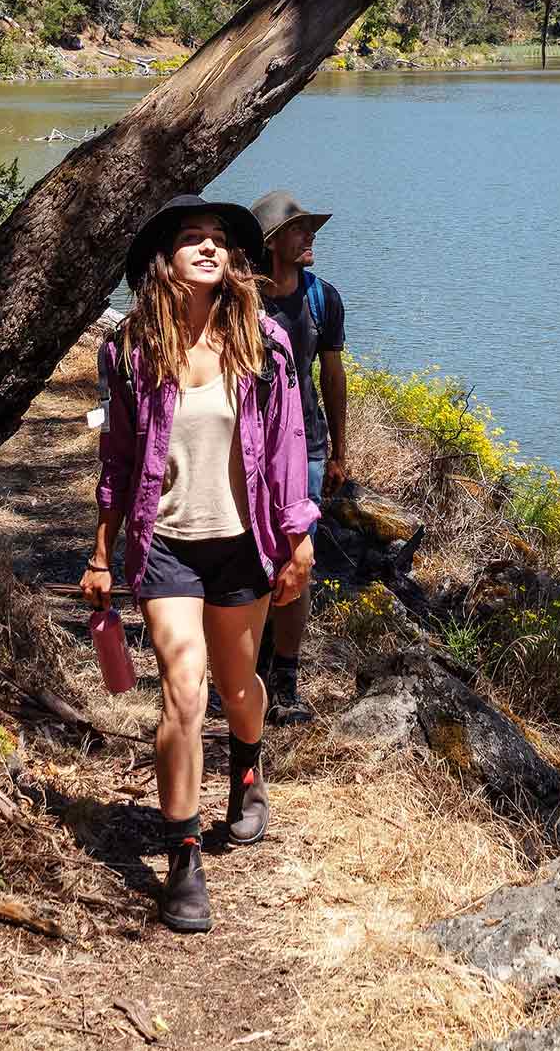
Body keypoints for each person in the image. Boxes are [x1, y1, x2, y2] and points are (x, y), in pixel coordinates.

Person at [81, 194, 317, 933]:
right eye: (193, 238)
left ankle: (246, 770)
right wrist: (99, 550)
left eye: (220, 239)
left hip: (243, 545)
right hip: (168, 546)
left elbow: (285, 449)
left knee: (239, 686)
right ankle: (184, 855)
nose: (211, 247)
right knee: (184, 687)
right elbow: (118, 458)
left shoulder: (265, 346)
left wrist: (298, 535)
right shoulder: (128, 352)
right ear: (165, 261)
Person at [247, 190, 348, 725]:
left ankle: (284, 678)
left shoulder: (321, 298)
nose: (310, 237)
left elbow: (331, 374)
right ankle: (245, 672)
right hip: (243, 449)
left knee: (295, 562)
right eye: (299, 229)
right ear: (270, 242)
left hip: (305, 446)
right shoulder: (238, 300)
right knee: (244, 559)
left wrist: (338, 450)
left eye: (311, 227)